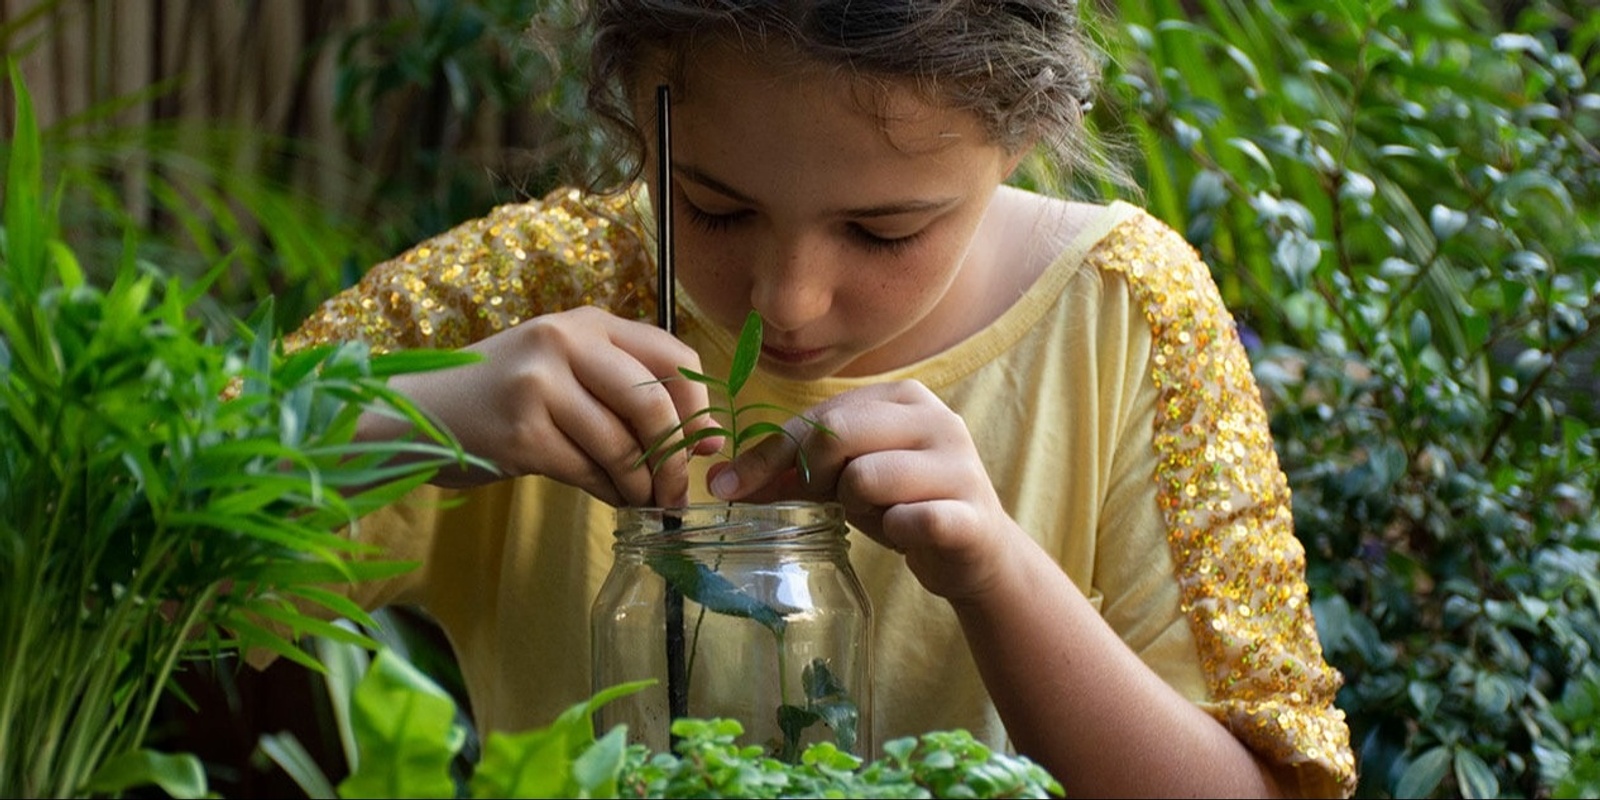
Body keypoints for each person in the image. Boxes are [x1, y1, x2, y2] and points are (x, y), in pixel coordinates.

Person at [278, 1, 1357, 796]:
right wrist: (423, 416)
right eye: (710, 207)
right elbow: (141, 560)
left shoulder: (1119, 316)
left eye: (884, 232)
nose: (785, 301)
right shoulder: (532, 298)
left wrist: (997, 570)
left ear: (1023, 135)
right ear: (631, 114)